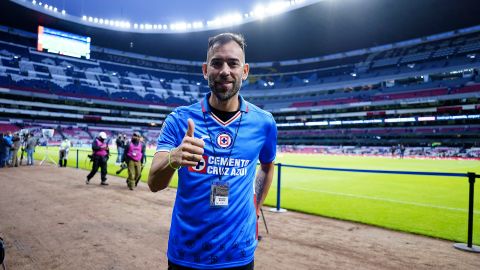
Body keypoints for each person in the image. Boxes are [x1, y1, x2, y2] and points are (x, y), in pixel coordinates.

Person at [148, 33, 277, 269]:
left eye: (233, 63)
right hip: (187, 255)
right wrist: (173, 159)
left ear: (245, 71)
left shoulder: (264, 123)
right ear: (205, 70)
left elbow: (267, 167)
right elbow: (153, 183)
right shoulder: (179, 120)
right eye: (217, 63)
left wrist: (256, 206)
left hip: (238, 255)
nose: (225, 70)